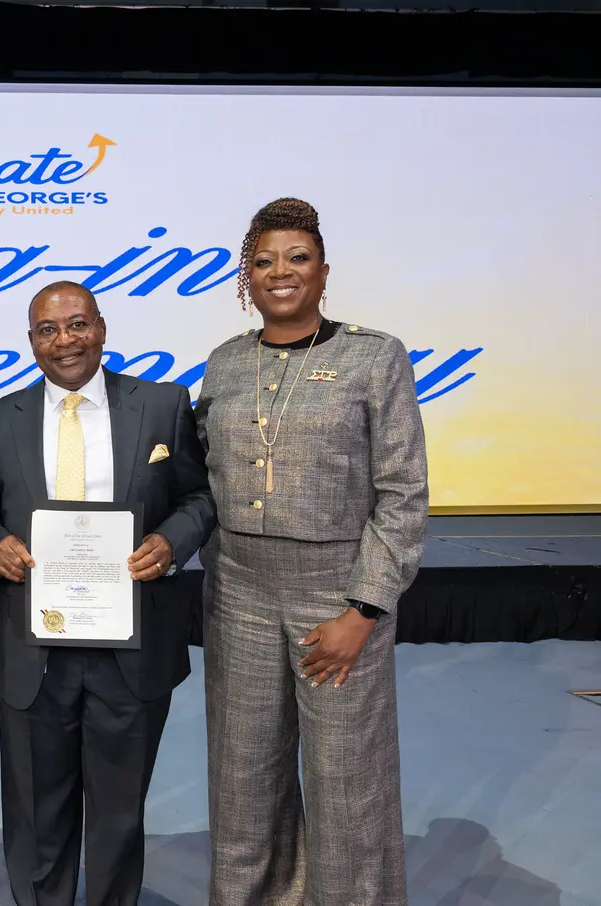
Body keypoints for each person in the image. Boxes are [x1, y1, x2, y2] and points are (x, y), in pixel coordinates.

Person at [194, 197, 429, 906]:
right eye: (263, 261)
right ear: (247, 276)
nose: (281, 272)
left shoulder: (373, 355)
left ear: (324, 271)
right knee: (244, 780)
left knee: (345, 781)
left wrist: (363, 609)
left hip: (337, 595)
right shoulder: (225, 363)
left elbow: (403, 493)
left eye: (297, 258)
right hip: (237, 593)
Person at [0, 281, 215, 906]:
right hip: (36, 645)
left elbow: (198, 497)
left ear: (102, 329)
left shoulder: (163, 405)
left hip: (130, 647)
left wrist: (169, 542)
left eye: (77, 325)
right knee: (35, 814)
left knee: (119, 815)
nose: (65, 341)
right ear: (31, 342)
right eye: (48, 330)